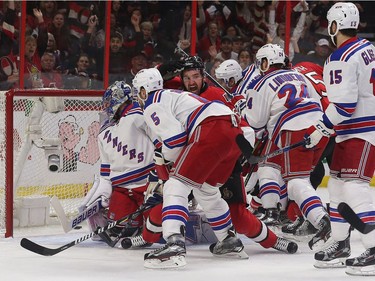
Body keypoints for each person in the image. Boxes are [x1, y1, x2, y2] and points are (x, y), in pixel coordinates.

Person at [133, 67, 248, 269]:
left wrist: (166, 159)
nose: (138, 97)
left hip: (211, 127)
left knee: (175, 186)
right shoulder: (173, 95)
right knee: (207, 190)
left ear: (143, 90)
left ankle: (174, 243)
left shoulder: (153, 103)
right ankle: (229, 241)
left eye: (138, 92)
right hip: (233, 130)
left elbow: (175, 141)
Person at [304, 3, 375, 276]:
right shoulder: (368, 49)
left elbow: (344, 105)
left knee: (354, 188)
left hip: (361, 131)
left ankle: (372, 246)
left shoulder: (340, 56)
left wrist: (318, 129)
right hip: (353, 131)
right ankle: (340, 242)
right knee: (336, 186)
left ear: (334, 26)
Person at [238, 43, 331, 251]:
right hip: (319, 127)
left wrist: (243, 110)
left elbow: (256, 123)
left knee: (296, 183)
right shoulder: (297, 75)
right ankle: (272, 210)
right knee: (268, 164)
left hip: (293, 128)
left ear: (264, 62)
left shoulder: (261, 82)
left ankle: (322, 221)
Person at [79, 81, 162, 240]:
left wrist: (161, 176)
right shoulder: (103, 132)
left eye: (109, 102)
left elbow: (161, 145)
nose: (107, 106)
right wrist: (102, 192)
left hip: (146, 184)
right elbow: (106, 169)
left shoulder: (140, 115)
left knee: (158, 227)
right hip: (121, 189)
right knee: (120, 231)